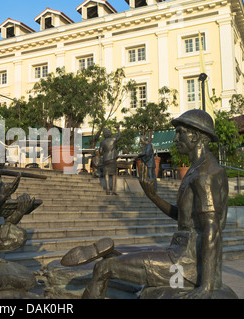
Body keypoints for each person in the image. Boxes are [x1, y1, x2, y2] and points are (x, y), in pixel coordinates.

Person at [65, 109, 229, 299]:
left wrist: (206, 287)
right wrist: (153, 196)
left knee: (104, 268)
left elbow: (212, 229)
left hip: (187, 265)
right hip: (180, 253)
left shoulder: (205, 174)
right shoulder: (197, 170)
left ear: (197, 136)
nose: (175, 139)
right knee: (120, 262)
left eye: (180, 132)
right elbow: (184, 218)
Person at [99, 125, 121, 195]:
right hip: (112, 158)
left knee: (106, 174)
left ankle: (108, 189)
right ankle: (114, 189)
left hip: (106, 159)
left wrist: (104, 152)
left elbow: (100, 152)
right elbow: (119, 137)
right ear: (110, 134)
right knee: (114, 174)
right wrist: (118, 129)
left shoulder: (102, 142)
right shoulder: (113, 139)